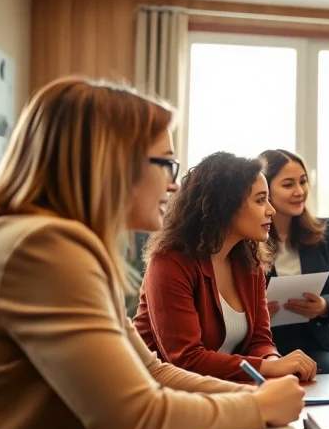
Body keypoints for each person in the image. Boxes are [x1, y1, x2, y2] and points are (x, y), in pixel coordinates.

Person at [0, 77, 305, 429]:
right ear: (112, 163)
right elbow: (137, 417)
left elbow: (154, 371)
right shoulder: (48, 246)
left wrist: (255, 392)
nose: (175, 183)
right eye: (165, 163)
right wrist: (258, 406)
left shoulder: (52, 240)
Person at [134, 152, 317, 382]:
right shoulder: (169, 262)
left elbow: (259, 341)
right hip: (160, 394)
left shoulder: (248, 262)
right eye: (260, 200)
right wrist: (266, 368)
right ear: (225, 206)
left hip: (220, 390)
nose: (271, 210)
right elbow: (185, 359)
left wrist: (274, 362)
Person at [259, 149, 329, 374]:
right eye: (288, 184)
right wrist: (257, 312)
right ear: (264, 190)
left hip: (317, 344)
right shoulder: (248, 239)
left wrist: (324, 306)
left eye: (303, 182)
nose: (299, 191)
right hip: (265, 346)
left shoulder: (326, 232)